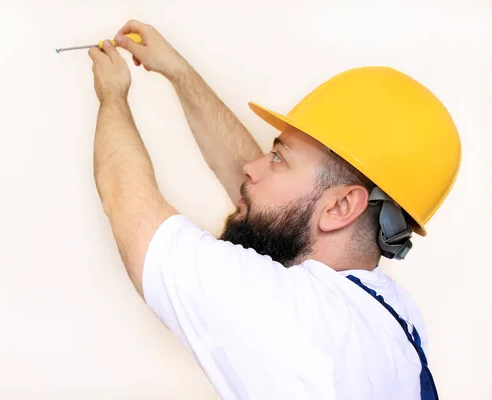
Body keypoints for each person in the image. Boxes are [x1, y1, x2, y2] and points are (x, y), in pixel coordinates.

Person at [88, 19, 460, 400]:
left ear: (342, 206)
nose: (252, 169)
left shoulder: (298, 321)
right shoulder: (389, 317)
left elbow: (128, 204)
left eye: (278, 157)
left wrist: (112, 96)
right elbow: (278, 205)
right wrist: (178, 71)